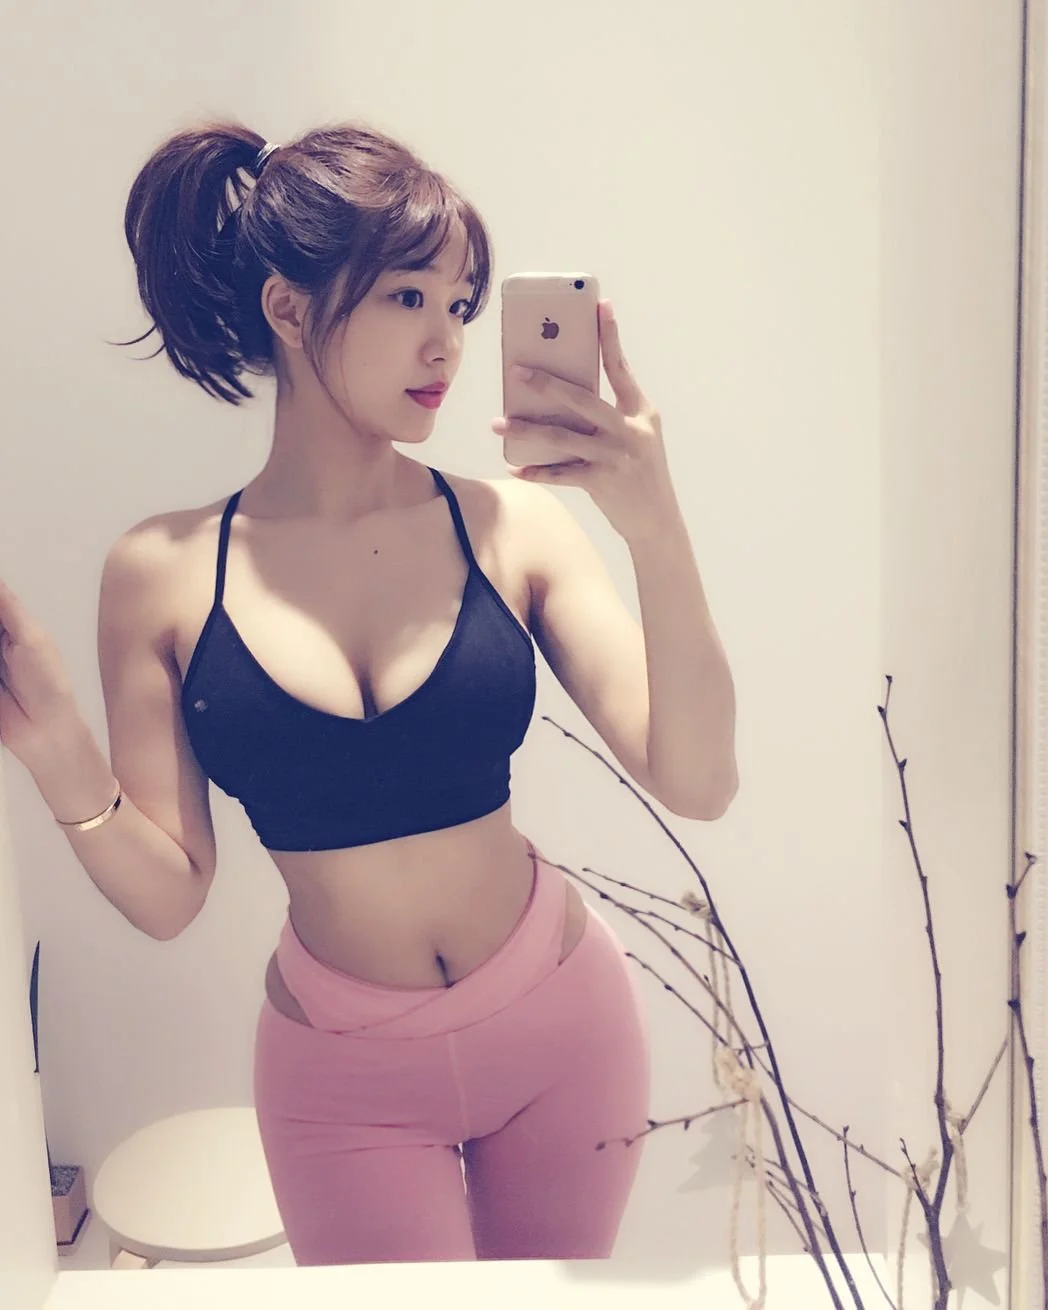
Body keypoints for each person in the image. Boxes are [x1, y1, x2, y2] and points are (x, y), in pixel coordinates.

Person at [0, 120, 739, 1265]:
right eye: (407, 297)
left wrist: (654, 527)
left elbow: (698, 780)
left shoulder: (512, 525)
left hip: (561, 1025)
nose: (446, 341)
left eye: (460, 304)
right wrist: (56, 750)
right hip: (344, 1078)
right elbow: (171, 895)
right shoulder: (161, 573)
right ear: (289, 310)